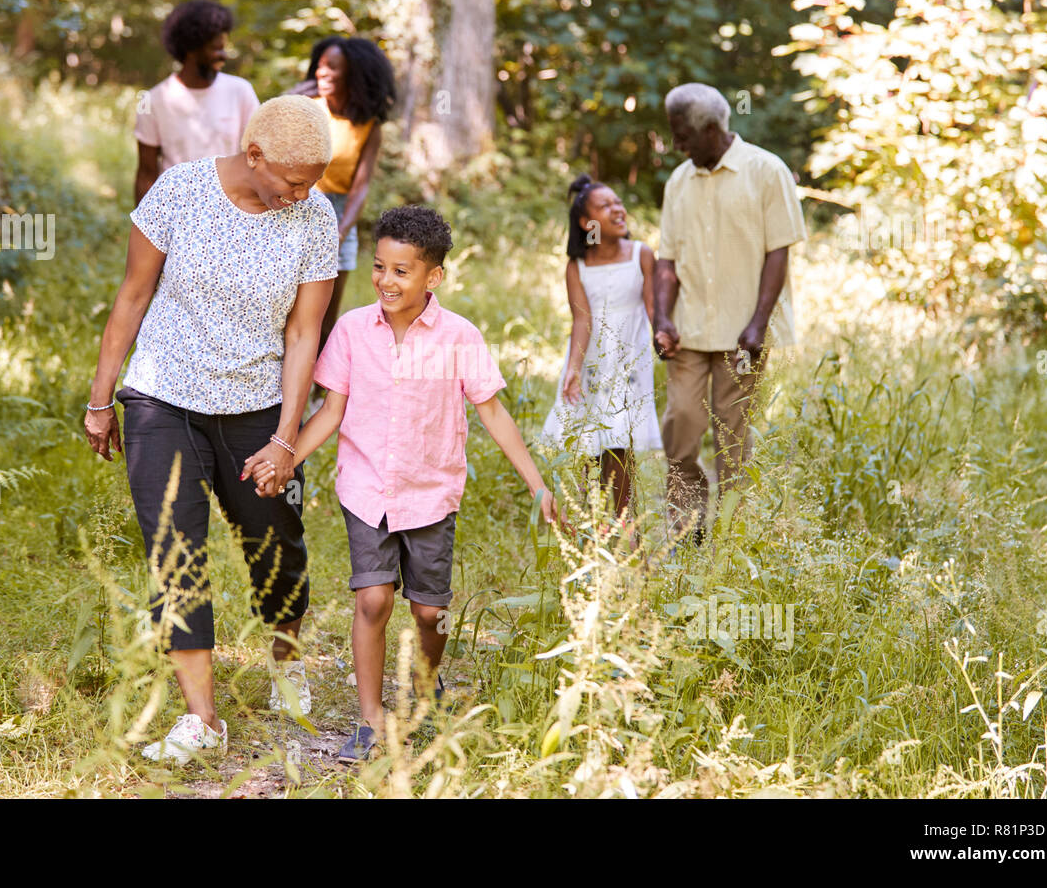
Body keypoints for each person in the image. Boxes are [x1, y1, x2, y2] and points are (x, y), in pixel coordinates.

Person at [246, 206, 557, 763]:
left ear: (433, 276)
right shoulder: (350, 330)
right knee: (372, 600)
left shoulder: (460, 337)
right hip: (367, 488)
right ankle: (370, 720)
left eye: (402, 271)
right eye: (380, 268)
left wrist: (537, 486)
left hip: (431, 492)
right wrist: (285, 453)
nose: (387, 281)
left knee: (427, 612)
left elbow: (495, 415)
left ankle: (426, 686)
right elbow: (331, 411)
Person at [85, 95, 338, 765]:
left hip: (257, 407)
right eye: (291, 179)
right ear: (253, 155)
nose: (302, 192)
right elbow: (133, 295)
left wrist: (288, 437)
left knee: (277, 544)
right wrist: (101, 398)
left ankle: (287, 662)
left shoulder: (315, 216)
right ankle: (202, 719)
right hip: (162, 396)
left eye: (313, 179)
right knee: (174, 551)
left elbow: (304, 331)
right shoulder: (180, 191)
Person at [653, 82, 807, 549]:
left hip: (744, 336)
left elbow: (778, 252)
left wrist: (759, 322)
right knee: (680, 425)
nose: (677, 145)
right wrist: (663, 318)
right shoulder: (679, 181)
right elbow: (667, 261)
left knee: (732, 435)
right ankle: (687, 531)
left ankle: (733, 538)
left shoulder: (766, 171)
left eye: (683, 136)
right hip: (691, 331)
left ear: (713, 128)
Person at [540, 174, 661, 532]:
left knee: (621, 445)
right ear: (586, 222)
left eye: (618, 203)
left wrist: (667, 342)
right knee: (589, 445)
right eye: (605, 206)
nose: (617, 209)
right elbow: (582, 320)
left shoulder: (641, 254)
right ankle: (590, 529)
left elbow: (654, 310)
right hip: (592, 364)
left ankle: (626, 531)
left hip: (628, 365)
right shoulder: (577, 267)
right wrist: (573, 370)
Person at [289, 36, 396, 352]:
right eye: (320, 66)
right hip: (300, 205)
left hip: (339, 215)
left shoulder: (368, 125)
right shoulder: (306, 109)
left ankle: (320, 389)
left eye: (332, 67)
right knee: (290, 306)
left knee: (324, 314)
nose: (322, 73)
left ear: (353, 73)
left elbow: (360, 186)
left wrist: (339, 231)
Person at [134, 0, 260, 204]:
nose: (223, 56)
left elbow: (258, 158)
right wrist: (141, 228)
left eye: (223, 48)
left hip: (231, 209)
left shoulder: (241, 91)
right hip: (177, 211)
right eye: (215, 49)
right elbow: (146, 172)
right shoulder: (151, 100)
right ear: (191, 49)